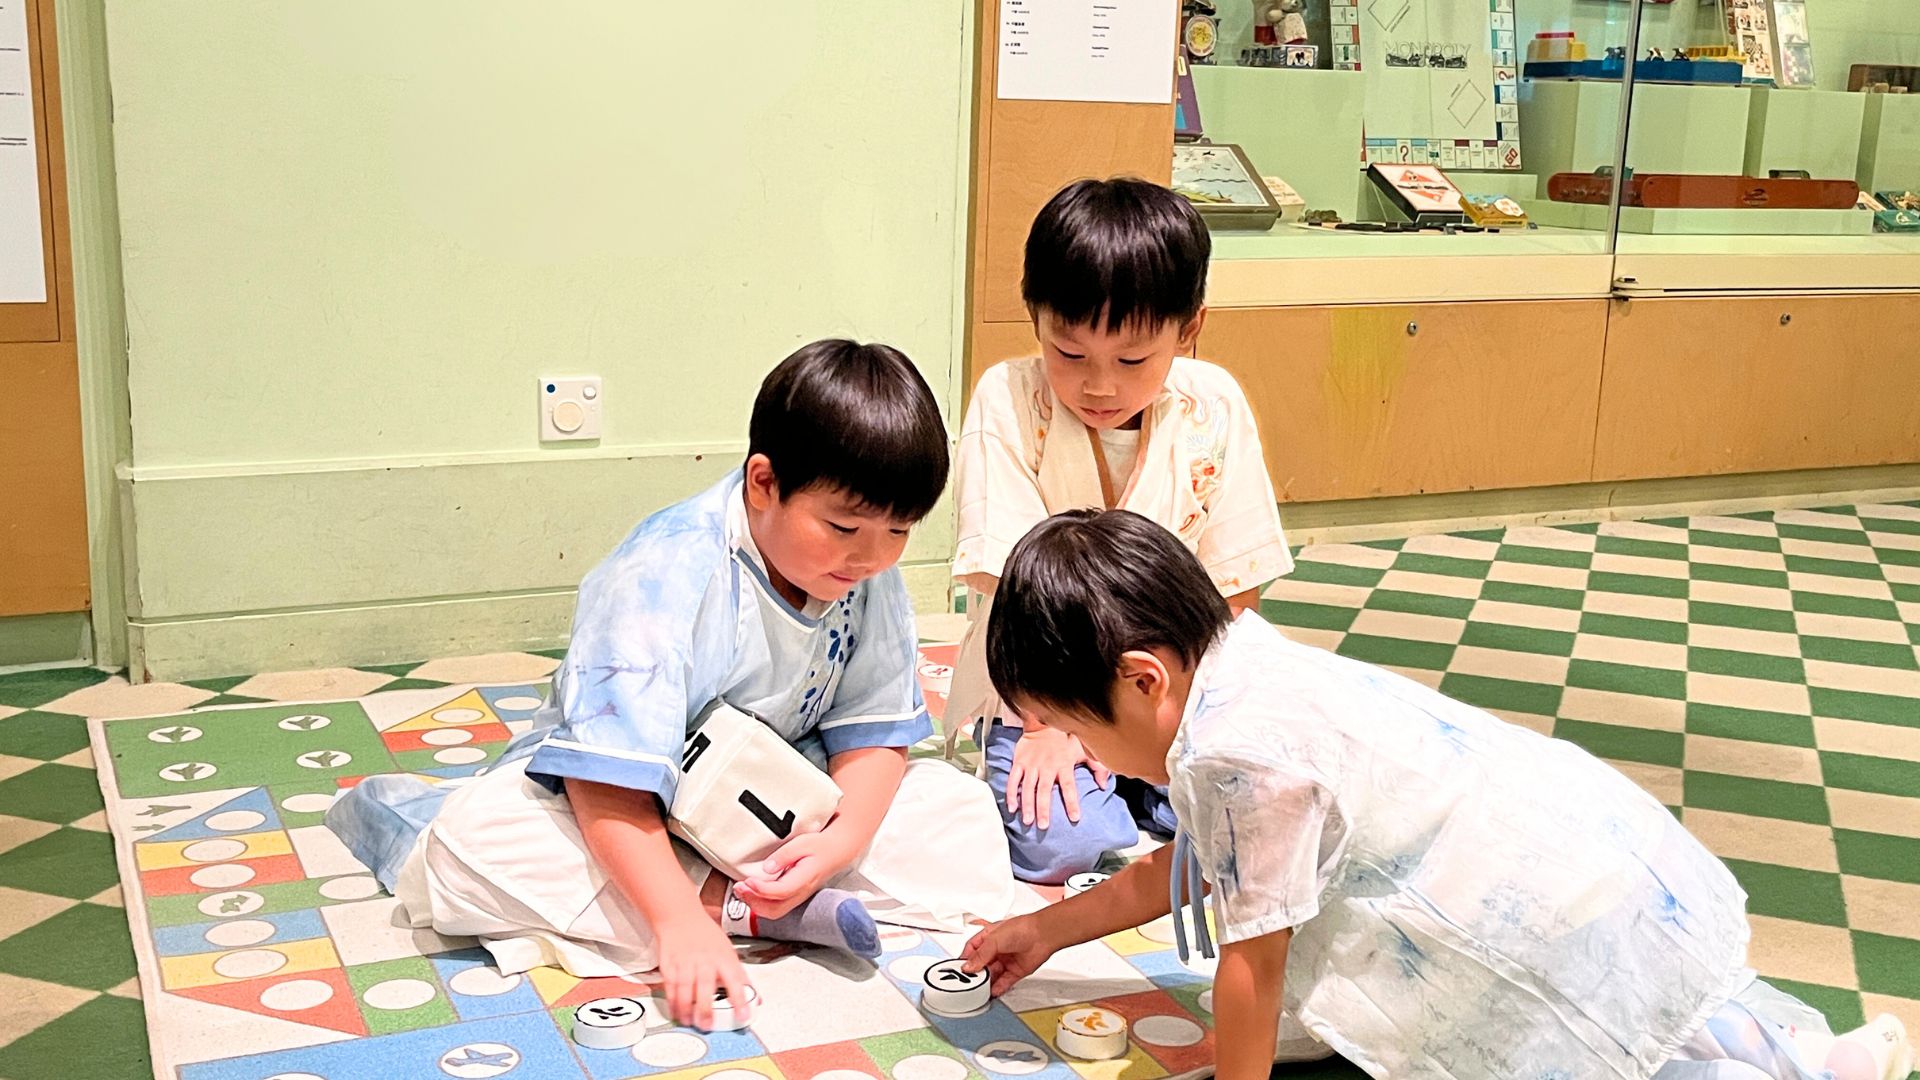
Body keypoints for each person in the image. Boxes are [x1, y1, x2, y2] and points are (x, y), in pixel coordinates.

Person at [963, 509, 1913, 1080]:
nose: (1088, 757)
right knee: (1667, 1007)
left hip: (1529, 908)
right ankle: (1820, 1056)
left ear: (1141, 680)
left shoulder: (1235, 751)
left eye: (1080, 731)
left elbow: (1251, 968)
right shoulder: (1244, 662)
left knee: (1611, 1048)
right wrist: (1047, 932)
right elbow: (1198, 866)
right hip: (1586, 839)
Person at [328, 340, 1017, 1032]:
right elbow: (605, 783)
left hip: (777, 813)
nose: (870, 556)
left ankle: (764, 895)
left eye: (898, 530)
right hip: (625, 813)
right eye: (843, 527)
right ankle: (733, 906)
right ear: (763, 483)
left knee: (958, 811)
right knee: (471, 841)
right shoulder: (661, 571)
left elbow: (872, 734)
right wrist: (677, 920)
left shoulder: (865, 575)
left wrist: (838, 843)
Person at [949, 176, 1292, 884]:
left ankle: (1139, 785)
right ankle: (1112, 787)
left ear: (1188, 329)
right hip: (1048, 694)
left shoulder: (1214, 403)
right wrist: (1054, 729)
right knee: (1066, 846)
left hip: (1169, 698)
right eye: (1069, 354)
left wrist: (1185, 727)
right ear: (1035, 318)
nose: (1099, 386)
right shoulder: (1008, 400)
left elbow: (1236, 589)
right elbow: (1009, 588)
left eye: (1133, 360)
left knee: (1263, 811)